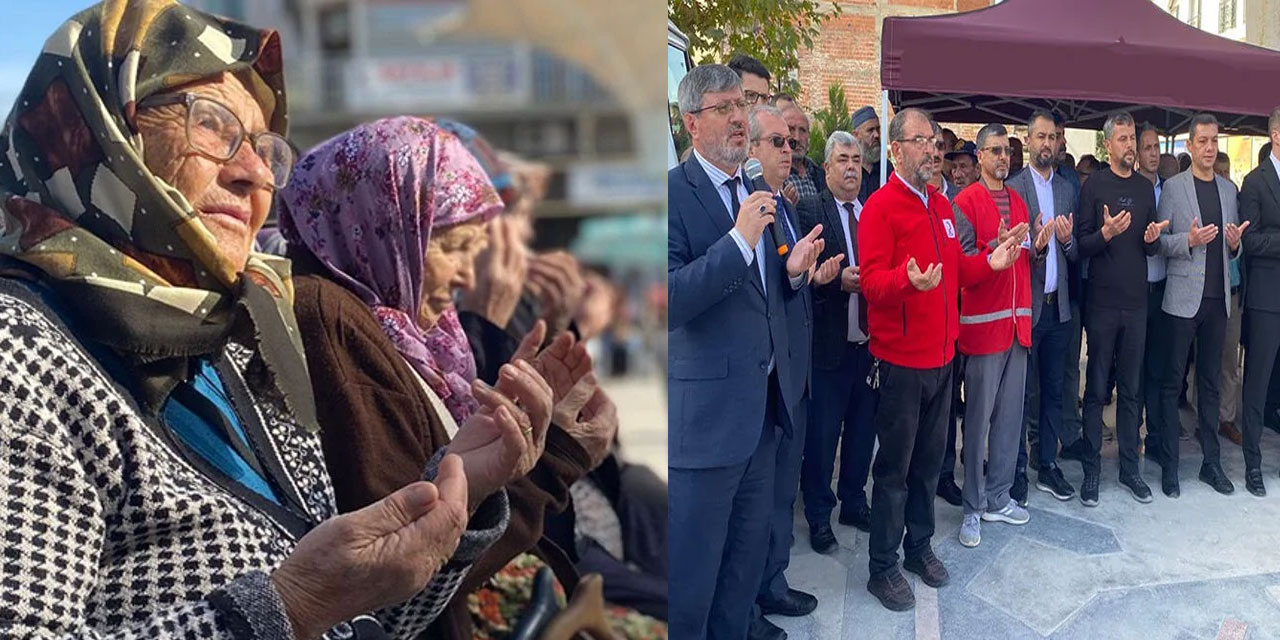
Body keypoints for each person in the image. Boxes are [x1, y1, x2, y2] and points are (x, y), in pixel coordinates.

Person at [0, 2, 511, 637]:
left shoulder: (234, 334)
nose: (255, 176)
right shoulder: (17, 354)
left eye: (267, 148)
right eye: (212, 126)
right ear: (103, 128)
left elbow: (351, 619)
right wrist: (288, 606)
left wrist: (458, 499)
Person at [275, 117, 642, 638]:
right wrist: (551, 457)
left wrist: (531, 414)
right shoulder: (334, 321)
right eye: (450, 245)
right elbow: (411, 569)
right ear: (383, 225)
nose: (470, 273)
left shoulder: (413, 331)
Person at [668, 64, 824, 640]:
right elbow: (668, 299)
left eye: (741, 104)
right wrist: (738, 242)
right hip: (707, 427)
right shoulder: (670, 194)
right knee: (693, 580)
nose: (739, 116)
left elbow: (762, 295)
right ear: (691, 123)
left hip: (762, 416)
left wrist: (792, 272)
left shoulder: (757, 193)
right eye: (723, 108)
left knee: (740, 570)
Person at [858, 108, 1023, 611]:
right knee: (893, 470)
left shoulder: (942, 207)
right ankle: (882, 567)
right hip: (902, 364)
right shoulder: (881, 208)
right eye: (922, 141)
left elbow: (957, 271)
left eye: (935, 142)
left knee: (931, 465)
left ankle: (918, 547)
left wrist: (990, 263)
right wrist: (908, 281)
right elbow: (871, 284)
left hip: (942, 359)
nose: (933, 150)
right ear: (895, 149)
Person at [743, 103, 835, 640]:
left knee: (780, 493)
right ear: (752, 150)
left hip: (793, 375)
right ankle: (749, 603)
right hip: (760, 381)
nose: (789, 149)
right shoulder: (749, 208)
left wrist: (808, 277)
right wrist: (795, 276)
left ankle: (773, 583)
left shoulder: (788, 203)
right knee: (753, 504)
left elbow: (787, 278)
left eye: (790, 141)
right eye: (776, 141)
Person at [1074, 111, 1167, 507]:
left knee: (1132, 390)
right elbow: (1080, 245)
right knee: (1096, 389)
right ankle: (1092, 468)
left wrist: (1150, 240)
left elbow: (1151, 246)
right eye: (1125, 139)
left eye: (1134, 139)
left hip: (1136, 305)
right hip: (1102, 305)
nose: (1131, 146)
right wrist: (1105, 233)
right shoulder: (1094, 186)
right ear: (1108, 144)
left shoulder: (1146, 190)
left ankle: (1130, 468)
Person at [950, 123, 1037, 547]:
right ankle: (972, 507)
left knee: (1008, 421)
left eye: (1008, 151)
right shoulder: (964, 202)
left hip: (1018, 326)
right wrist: (993, 249)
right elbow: (963, 263)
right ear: (980, 156)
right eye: (996, 150)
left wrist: (1035, 242)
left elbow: (1026, 256)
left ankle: (999, 497)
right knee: (979, 420)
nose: (1004, 157)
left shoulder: (1019, 201)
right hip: (984, 329)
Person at [1150, 113, 1244, 498]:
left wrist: (1235, 243)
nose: (1209, 148)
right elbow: (1158, 243)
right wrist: (1186, 240)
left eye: (1213, 141)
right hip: (1182, 300)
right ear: (1188, 146)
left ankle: (1211, 464)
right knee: (1173, 384)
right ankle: (1170, 467)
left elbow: (1231, 247)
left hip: (1217, 302)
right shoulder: (1173, 188)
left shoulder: (1228, 190)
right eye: (1202, 141)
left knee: (1209, 384)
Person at [798, 131, 879, 555]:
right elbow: (797, 282)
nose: (851, 167)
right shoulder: (811, 210)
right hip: (827, 347)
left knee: (863, 434)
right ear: (826, 166)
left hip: (867, 348)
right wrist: (833, 283)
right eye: (842, 159)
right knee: (822, 438)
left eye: (856, 160)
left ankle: (854, 501)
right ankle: (818, 515)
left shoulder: (871, 212)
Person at [1008, 110, 1079, 502]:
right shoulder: (1014, 188)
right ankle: (1017, 466)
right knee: (1020, 393)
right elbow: (1008, 248)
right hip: (1025, 306)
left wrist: (1065, 243)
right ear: (1029, 139)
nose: (1046, 143)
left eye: (1052, 137)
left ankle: (1047, 463)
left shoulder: (1067, 188)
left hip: (1058, 307)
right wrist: (1034, 247)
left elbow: (1076, 252)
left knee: (1053, 391)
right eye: (1040, 137)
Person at [1237, 107, 1280, 497]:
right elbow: (1250, 242)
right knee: (1258, 382)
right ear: (1277, 135)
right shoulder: (1254, 182)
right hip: (1267, 300)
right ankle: (1253, 464)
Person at [1136, 123, 1171, 467]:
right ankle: (1131, 439)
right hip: (1133, 295)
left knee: (1159, 372)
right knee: (1134, 371)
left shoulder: (1170, 191)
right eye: (1147, 147)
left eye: (1156, 147)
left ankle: (1157, 438)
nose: (1153, 153)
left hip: (1163, 293)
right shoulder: (1129, 190)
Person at [1215, 150, 1246, 446]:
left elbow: (1241, 252)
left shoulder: (1237, 205)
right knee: (1206, 360)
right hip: (1210, 293)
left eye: (1227, 172)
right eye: (1218, 171)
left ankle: (1226, 417)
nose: (1223, 177)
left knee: (1228, 363)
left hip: (1233, 293)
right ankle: (1205, 417)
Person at [780, 102, 826, 206]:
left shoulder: (819, 175)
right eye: (791, 129)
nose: (797, 137)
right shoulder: (775, 174)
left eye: (802, 130)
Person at [852, 106, 889, 202]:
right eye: (870, 130)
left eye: (878, 129)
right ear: (856, 135)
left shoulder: (886, 167)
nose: (876, 135)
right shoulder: (851, 168)